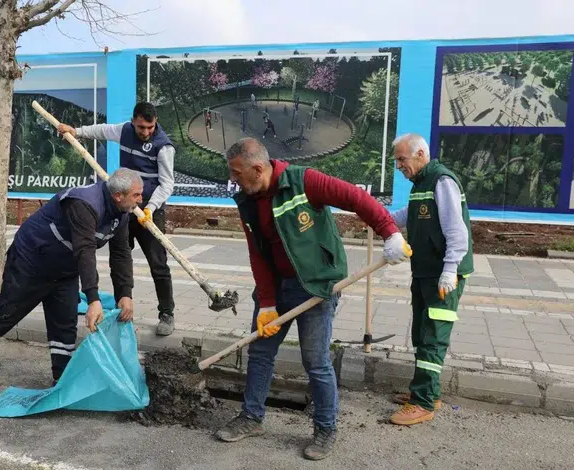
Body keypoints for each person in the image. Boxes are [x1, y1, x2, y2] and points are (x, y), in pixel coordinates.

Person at [214, 137, 411, 461]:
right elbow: (257, 255)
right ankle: (251, 418)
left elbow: (357, 198)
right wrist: (266, 302)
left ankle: (325, 428)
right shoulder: (248, 200)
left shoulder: (304, 181)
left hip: (317, 286)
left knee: (315, 360)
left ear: (258, 168)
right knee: (260, 352)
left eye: (236, 172)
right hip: (277, 288)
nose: (232, 178)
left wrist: (390, 232)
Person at [0, 168, 143, 387]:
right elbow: (85, 250)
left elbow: (121, 253)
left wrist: (125, 294)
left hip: (65, 269)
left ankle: (62, 378)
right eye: (136, 195)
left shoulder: (122, 212)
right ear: (118, 195)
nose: (140, 200)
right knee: (8, 310)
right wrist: (93, 299)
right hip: (32, 260)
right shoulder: (84, 204)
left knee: (64, 322)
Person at [57, 102, 177, 336]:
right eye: (141, 127)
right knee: (120, 255)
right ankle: (124, 304)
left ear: (156, 122)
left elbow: (167, 184)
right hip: (123, 207)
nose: (145, 132)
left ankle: (167, 312)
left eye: (150, 127)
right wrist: (76, 132)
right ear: (133, 121)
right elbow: (101, 130)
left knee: (158, 262)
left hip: (150, 209)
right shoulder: (124, 131)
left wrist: (150, 208)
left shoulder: (164, 148)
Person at [387, 133, 473, 426]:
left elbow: (456, 231)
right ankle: (426, 392)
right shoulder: (421, 185)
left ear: (420, 154)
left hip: (441, 276)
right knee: (422, 334)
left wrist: (450, 270)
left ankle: (423, 403)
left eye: (402, 159)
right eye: (396, 160)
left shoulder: (441, 181)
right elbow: (406, 216)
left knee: (433, 337)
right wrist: (376, 218)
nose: (398, 165)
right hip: (424, 272)